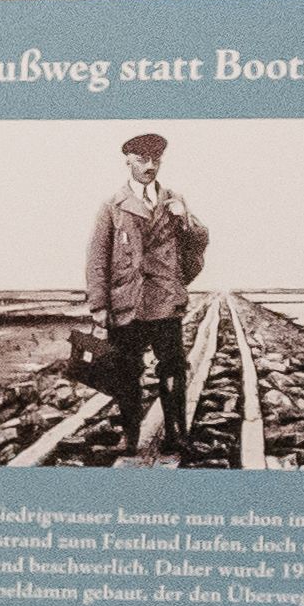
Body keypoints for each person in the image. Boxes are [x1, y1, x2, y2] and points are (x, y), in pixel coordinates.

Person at [87, 127, 213, 464]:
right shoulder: (112, 206)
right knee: (126, 372)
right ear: (128, 161)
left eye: (156, 158)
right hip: (126, 303)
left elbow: (200, 240)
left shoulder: (174, 198)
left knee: (173, 368)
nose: (150, 165)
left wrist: (183, 219)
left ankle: (176, 436)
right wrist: (99, 305)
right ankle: (130, 440)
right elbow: (97, 257)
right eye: (142, 159)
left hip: (164, 301)